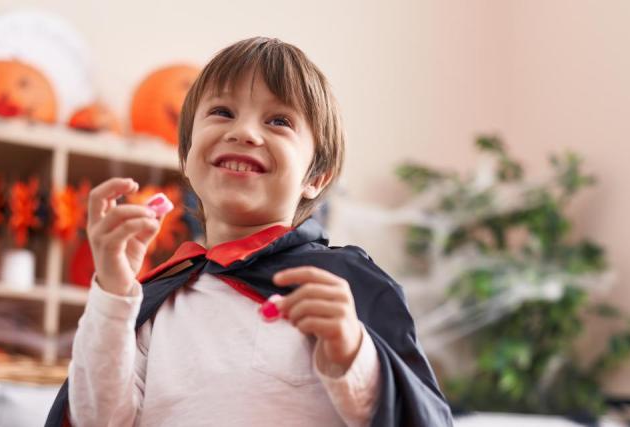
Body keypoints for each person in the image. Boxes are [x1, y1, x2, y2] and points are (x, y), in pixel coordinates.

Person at [46, 36, 453, 427]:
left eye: (279, 121)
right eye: (222, 112)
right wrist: (114, 293)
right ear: (186, 156)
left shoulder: (342, 287)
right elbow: (95, 420)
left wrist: (353, 353)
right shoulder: (157, 300)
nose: (244, 132)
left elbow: (417, 413)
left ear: (316, 177)